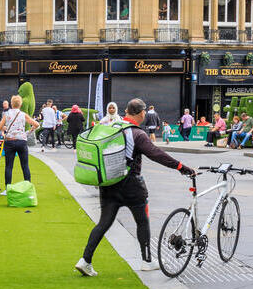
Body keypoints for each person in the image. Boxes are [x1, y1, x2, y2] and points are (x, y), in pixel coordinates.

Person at [75, 98, 195, 276]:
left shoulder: (114, 126)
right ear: (141, 113)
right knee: (142, 221)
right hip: (132, 185)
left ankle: (85, 260)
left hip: (109, 183)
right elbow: (156, 154)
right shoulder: (137, 133)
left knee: (104, 223)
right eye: (144, 111)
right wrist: (181, 167)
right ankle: (146, 261)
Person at [0, 94, 39, 194]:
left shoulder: (6, 115)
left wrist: (4, 129)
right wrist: (29, 131)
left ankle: (7, 189)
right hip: (22, 141)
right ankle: (28, 187)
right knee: (25, 166)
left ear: (11, 104)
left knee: (9, 166)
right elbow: (36, 124)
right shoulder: (23, 114)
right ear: (20, 104)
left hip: (10, 141)